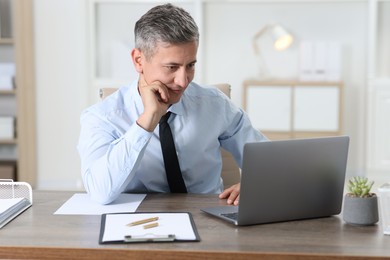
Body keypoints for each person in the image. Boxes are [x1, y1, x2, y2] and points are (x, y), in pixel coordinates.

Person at [77, 3, 267, 205]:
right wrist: (146, 122)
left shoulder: (215, 105)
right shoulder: (102, 117)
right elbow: (99, 193)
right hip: (140, 223)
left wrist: (259, 183)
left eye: (190, 65)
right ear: (138, 60)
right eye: (171, 67)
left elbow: (269, 163)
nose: (183, 81)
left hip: (209, 220)